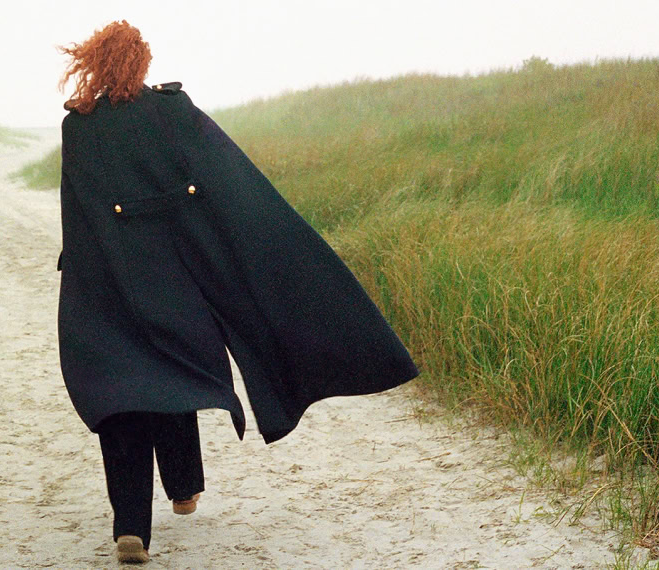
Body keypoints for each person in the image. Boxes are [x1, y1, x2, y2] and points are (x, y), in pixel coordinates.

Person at [56, 20, 419, 564]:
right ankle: (182, 488)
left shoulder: (78, 129)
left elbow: (76, 213)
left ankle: (131, 524)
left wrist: (82, 284)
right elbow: (227, 180)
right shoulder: (173, 111)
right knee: (171, 377)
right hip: (176, 283)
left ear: (93, 63)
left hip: (107, 284)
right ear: (141, 63)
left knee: (123, 398)